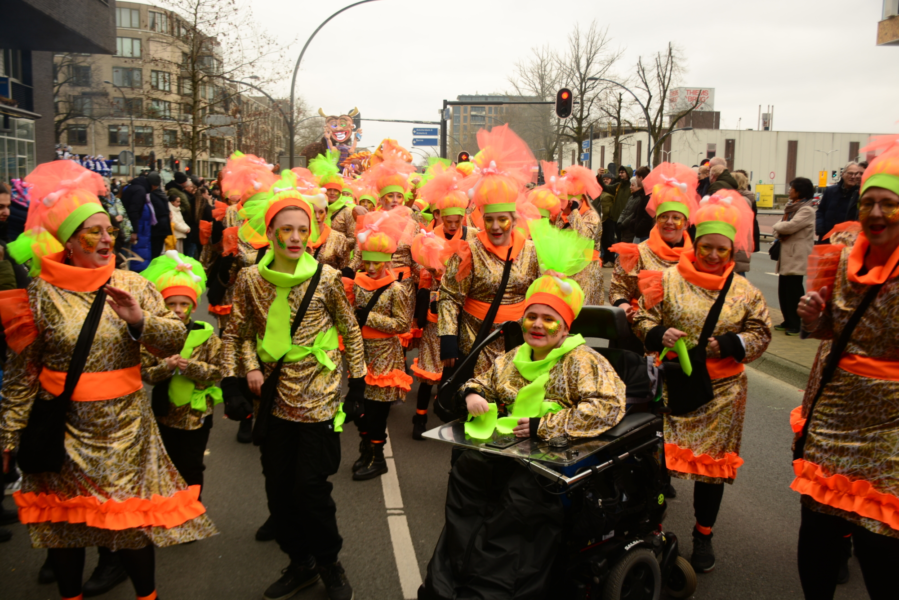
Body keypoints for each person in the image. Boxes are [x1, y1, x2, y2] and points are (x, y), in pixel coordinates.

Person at [0, 161, 216, 600]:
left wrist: (139, 321)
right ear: (68, 240)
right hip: (63, 429)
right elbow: (24, 371)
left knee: (130, 527)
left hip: (124, 430)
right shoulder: (41, 292)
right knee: (66, 528)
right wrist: (8, 435)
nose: (104, 239)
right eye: (92, 232)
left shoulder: (133, 284)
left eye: (108, 231)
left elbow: (175, 337)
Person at [220, 169, 363, 600]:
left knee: (310, 488)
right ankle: (299, 563)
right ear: (272, 233)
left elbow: (350, 330)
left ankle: (330, 564)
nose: (296, 237)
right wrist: (239, 374)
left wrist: (357, 385)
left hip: (317, 393)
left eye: (304, 230)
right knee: (278, 488)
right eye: (287, 230)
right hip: (272, 396)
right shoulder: (250, 279)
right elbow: (238, 333)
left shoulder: (327, 278)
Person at [632, 189, 771, 574]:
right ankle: (653, 531)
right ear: (696, 243)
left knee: (710, 471)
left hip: (723, 392)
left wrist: (731, 343)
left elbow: (761, 334)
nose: (712, 256)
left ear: (732, 252)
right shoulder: (667, 279)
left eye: (721, 250)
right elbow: (640, 318)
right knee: (659, 464)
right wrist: (659, 333)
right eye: (706, 247)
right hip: (673, 386)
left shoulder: (745, 292)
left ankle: (703, 534)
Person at [792, 140, 899, 600]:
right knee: (817, 522)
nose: (875, 212)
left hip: (891, 424)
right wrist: (813, 319)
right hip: (833, 407)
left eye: (888, 203)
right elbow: (828, 329)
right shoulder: (838, 248)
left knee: (880, 534)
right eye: (869, 201)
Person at [439, 125, 540, 377]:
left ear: (514, 219)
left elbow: (541, 293)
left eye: (502, 219)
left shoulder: (531, 251)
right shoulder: (468, 250)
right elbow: (450, 296)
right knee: (477, 400)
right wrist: (448, 340)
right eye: (489, 219)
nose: (495, 226)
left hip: (518, 341)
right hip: (475, 339)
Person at [140, 251, 220, 496]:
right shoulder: (154, 338)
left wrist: (192, 367)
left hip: (196, 415)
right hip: (164, 415)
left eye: (183, 304)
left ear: (193, 306)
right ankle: (170, 512)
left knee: (193, 466)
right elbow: (146, 374)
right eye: (171, 304)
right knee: (167, 464)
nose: (178, 310)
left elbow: (219, 370)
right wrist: (167, 366)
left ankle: (191, 509)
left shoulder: (207, 336)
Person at [409, 164, 478, 439]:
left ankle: (452, 414)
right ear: (439, 216)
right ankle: (420, 417)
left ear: (463, 218)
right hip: (435, 311)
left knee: (457, 367)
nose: (452, 224)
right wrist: (418, 316)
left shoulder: (472, 239)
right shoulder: (428, 238)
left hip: (464, 311)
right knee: (429, 367)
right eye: (447, 220)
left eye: (457, 220)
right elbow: (422, 279)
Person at [348, 209, 416, 478]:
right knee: (359, 409)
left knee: (376, 414)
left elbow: (402, 324)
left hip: (385, 358)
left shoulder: (396, 289)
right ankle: (366, 449)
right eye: (368, 262)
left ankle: (378, 459)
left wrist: (369, 317)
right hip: (360, 354)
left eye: (377, 263)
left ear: (388, 262)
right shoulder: (357, 284)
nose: (372, 268)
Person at [609, 163, 699, 323]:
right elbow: (618, 289)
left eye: (676, 218)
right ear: (656, 219)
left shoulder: (697, 259)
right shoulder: (637, 253)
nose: (669, 222)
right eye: (664, 217)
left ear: (685, 223)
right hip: (639, 330)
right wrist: (624, 307)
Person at [773, 177, 816, 335]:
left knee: (794, 292)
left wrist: (778, 227)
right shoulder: (790, 208)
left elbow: (790, 227)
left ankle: (796, 323)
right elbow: (779, 230)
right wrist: (779, 228)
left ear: (799, 191)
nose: (789, 191)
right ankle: (787, 320)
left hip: (796, 256)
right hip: (787, 256)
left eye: (792, 188)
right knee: (784, 290)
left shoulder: (806, 210)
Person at [561, 165, 605, 306]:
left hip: (587, 272)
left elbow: (585, 236)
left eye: (570, 201)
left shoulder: (591, 217)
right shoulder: (564, 216)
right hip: (567, 270)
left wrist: (574, 213)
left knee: (583, 309)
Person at [816, 162, 863, 241]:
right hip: (826, 236)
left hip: (846, 239)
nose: (853, 177)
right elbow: (820, 211)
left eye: (856, 174)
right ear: (843, 174)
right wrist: (820, 229)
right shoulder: (830, 191)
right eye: (850, 173)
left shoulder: (860, 195)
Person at [306, 192, 349, 272]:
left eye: (321, 212)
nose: (317, 217)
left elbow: (343, 270)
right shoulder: (300, 238)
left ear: (326, 214)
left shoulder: (338, 239)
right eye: (313, 212)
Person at [732, 171, 758, 275]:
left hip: (738, 243)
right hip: (741, 242)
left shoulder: (741, 200)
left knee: (737, 275)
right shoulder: (745, 198)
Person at [147, 171, 171, 260]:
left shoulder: (152, 195)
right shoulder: (161, 193)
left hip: (157, 228)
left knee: (155, 253)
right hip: (163, 226)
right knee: (158, 251)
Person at [597, 170, 617, 265]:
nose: (605, 181)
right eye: (604, 179)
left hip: (609, 217)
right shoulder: (603, 190)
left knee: (609, 239)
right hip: (602, 218)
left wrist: (612, 214)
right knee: (603, 240)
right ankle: (605, 258)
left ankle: (611, 259)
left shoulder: (613, 190)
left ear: (611, 179)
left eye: (607, 179)